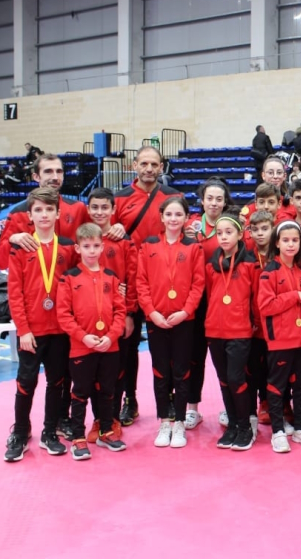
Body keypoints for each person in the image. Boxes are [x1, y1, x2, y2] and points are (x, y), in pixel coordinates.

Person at [3, 188, 79, 462]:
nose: (44, 215)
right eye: (39, 210)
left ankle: (49, 432)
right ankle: (21, 432)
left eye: (49, 209)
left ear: (58, 213)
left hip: (60, 330)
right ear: (30, 215)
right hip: (31, 332)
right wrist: (23, 329)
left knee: (57, 383)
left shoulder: (69, 248)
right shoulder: (21, 248)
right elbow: (15, 292)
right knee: (26, 382)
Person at [112, 146, 181, 427]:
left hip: (164, 282)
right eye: (144, 163)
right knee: (126, 345)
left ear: (161, 166)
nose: (149, 169)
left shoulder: (174, 197)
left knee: (168, 347)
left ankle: (172, 399)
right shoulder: (119, 199)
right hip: (128, 281)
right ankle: (130, 398)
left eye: (154, 164)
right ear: (134, 165)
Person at [136, 197, 205, 449]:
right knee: (160, 371)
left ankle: (179, 424)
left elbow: (199, 284)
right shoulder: (148, 245)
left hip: (184, 319)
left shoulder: (193, 247)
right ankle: (164, 420)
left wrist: (186, 312)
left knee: (181, 371)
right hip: (156, 319)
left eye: (179, 215)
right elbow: (141, 282)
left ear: (186, 218)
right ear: (162, 217)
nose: (174, 219)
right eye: (169, 214)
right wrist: (151, 312)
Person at [56, 223, 127, 460]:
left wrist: (110, 336)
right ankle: (78, 436)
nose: (92, 251)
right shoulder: (69, 278)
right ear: (77, 248)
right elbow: (63, 315)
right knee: (81, 393)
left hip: (109, 346)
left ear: (102, 246)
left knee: (108, 391)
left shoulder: (111, 277)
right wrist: (83, 336)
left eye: (96, 246)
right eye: (86, 246)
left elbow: (120, 311)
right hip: (81, 347)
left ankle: (106, 431)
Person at [257, 221, 301, 453]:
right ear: (277, 243)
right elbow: (266, 306)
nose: (291, 244)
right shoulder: (269, 272)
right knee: (277, 387)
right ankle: (278, 432)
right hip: (279, 341)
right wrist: (294, 295)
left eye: (295, 240)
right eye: (286, 240)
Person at [84, 187, 137, 442]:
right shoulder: (82, 241)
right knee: (93, 372)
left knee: (115, 371)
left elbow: (133, 278)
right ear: (88, 209)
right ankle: (97, 418)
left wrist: (128, 313)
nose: (99, 212)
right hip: (89, 320)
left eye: (105, 207)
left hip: (117, 317)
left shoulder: (124, 242)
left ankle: (112, 418)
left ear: (113, 210)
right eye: (95, 207)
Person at [205, 209, 259, 452]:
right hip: (214, 331)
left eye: (229, 232)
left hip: (239, 331)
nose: (223, 237)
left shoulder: (249, 264)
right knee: (224, 380)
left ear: (240, 234)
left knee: (237, 378)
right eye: (219, 233)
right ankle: (234, 425)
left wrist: (254, 323)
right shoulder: (211, 265)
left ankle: (246, 425)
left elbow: (256, 298)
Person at [183, 178, 234, 431]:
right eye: (209, 198)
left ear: (225, 202)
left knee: (225, 358)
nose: (214, 203)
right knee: (194, 357)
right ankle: (192, 409)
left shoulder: (231, 229)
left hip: (223, 301)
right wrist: (186, 238)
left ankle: (228, 407)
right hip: (196, 301)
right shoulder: (190, 228)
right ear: (202, 200)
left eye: (219, 199)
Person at [0, 153, 91, 271]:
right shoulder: (18, 214)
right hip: (35, 285)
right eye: (48, 171)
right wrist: (12, 240)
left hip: (70, 284)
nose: (55, 177)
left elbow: (99, 239)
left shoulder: (78, 209)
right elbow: (0, 263)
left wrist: (116, 227)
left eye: (59, 171)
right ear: (36, 177)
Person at [247, 210, 275, 426]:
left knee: (277, 367)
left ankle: (280, 403)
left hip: (276, 323)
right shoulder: (246, 256)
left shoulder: (281, 255)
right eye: (255, 230)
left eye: (265, 229)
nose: (260, 234)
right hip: (254, 324)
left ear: (273, 229)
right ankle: (262, 402)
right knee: (256, 367)